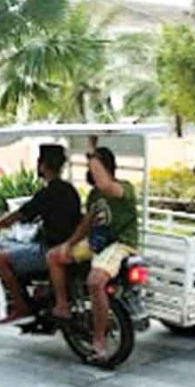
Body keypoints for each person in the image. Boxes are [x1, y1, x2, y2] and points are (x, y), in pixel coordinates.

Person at [47, 141, 139, 364]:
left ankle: (98, 339)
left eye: (92, 168)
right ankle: (62, 305)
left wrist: (92, 158)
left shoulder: (123, 188)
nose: (89, 172)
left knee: (95, 281)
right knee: (53, 257)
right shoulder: (95, 196)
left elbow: (107, 185)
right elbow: (86, 224)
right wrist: (69, 244)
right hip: (97, 243)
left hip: (119, 244)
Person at [0, 145, 81, 323]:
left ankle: (21, 306)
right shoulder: (70, 190)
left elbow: (18, 215)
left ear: (43, 165)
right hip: (68, 244)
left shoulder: (47, 193)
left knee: (0, 259)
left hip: (50, 249)